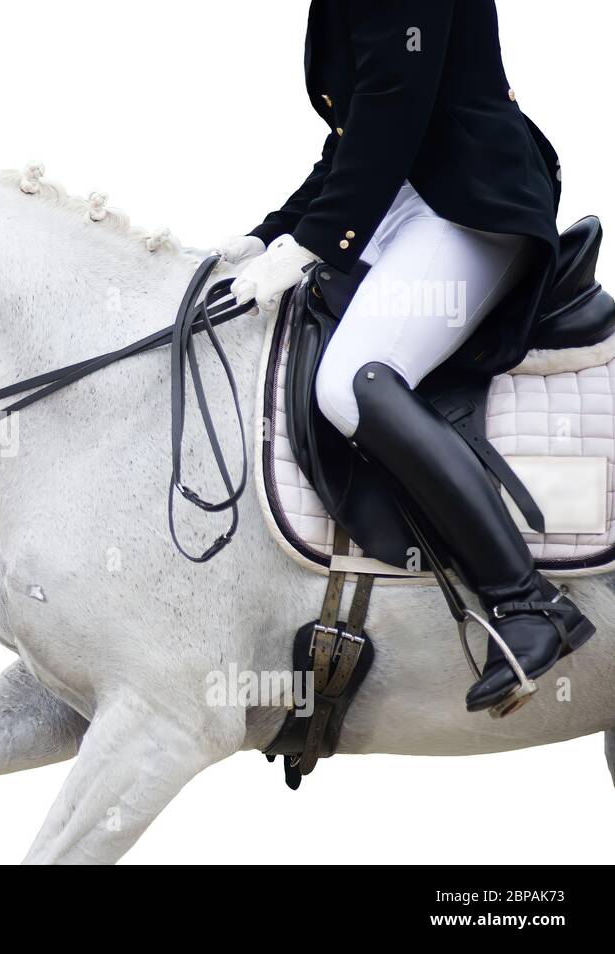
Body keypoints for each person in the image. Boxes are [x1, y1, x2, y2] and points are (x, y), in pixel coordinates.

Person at [225, 0, 593, 713]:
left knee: (352, 382)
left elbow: (397, 101)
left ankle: (526, 602)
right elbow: (353, 135)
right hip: (404, 197)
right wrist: (266, 235)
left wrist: (315, 240)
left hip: (469, 201)